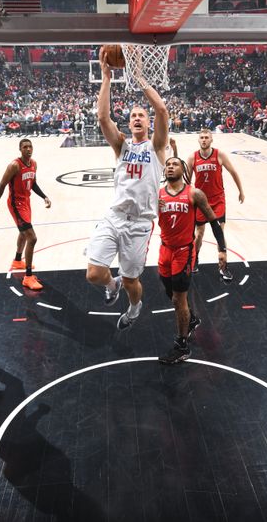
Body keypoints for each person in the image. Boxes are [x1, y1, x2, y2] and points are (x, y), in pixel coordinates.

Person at [85, 46, 169, 330]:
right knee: (94, 274)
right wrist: (106, 77)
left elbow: (162, 109)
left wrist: (140, 77)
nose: (136, 118)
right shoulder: (121, 145)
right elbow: (102, 118)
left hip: (140, 224)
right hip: (115, 216)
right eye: (132, 115)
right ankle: (112, 285)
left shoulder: (156, 147)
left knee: (133, 281)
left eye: (141, 116)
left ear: (148, 123)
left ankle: (134, 308)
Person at [157, 157, 228, 365]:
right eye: (168, 164)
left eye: (175, 164)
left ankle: (182, 346)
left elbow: (214, 222)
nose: (170, 166)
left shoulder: (194, 193)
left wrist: (222, 250)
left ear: (184, 170)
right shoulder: (157, 194)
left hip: (184, 252)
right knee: (171, 295)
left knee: (179, 300)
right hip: (164, 250)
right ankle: (192, 319)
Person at [0, 139, 51, 290]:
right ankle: (28, 277)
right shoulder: (14, 165)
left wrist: (44, 196)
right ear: (20, 149)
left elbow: (33, 184)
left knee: (23, 233)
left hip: (26, 203)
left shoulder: (34, 164)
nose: (28, 149)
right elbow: (2, 185)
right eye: (25, 147)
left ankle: (17, 261)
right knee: (32, 237)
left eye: (30, 146)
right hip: (16, 205)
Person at [185, 129, 244, 279]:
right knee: (199, 234)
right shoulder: (192, 157)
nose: (204, 140)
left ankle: (224, 267)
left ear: (211, 140)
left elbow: (234, 172)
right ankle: (195, 259)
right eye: (201, 138)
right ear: (198, 140)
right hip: (200, 201)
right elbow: (186, 182)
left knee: (220, 233)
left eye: (207, 137)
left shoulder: (220, 155)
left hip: (217, 199)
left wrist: (240, 191)